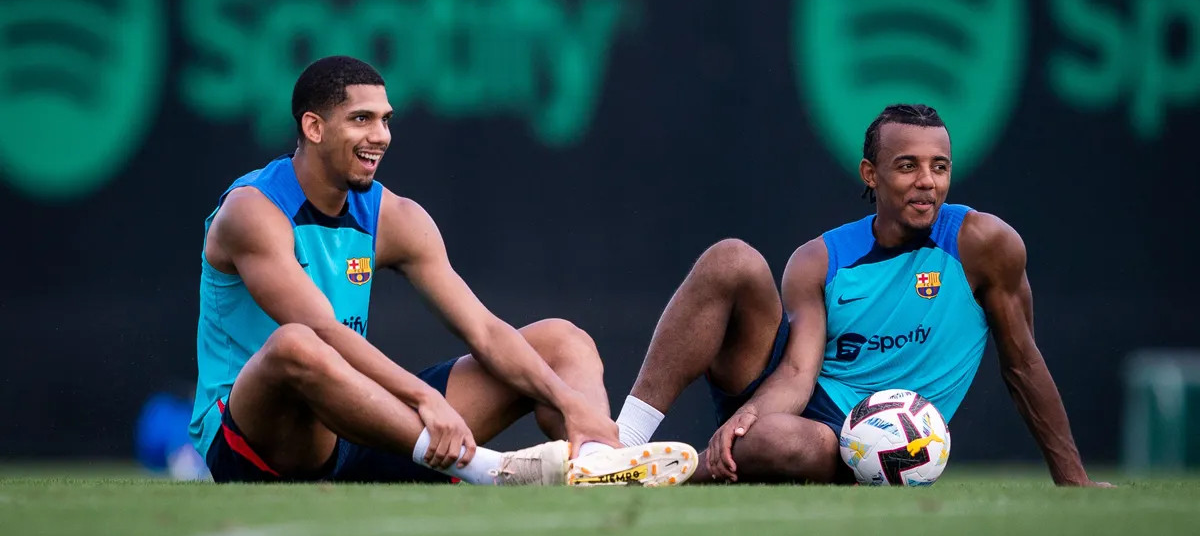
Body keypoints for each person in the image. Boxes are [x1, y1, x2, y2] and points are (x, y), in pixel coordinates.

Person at [188, 55, 696, 486]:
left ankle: (598, 463)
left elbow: (484, 330)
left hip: (366, 427)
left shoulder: (397, 217)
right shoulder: (253, 211)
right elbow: (320, 332)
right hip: (258, 439)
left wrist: (570, 403)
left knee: (565, 341)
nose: (381, 136)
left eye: (386, 120)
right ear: (314, 127)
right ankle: (490, 469)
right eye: (362, 119)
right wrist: (423, 398)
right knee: (295, 344)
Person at [614, 103, 1108, 486]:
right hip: (799, 396)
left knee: (774, 440)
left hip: (856, 441)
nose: (926, 183)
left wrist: (1072, 479)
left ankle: (674, 475)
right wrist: (750, 413)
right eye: (907, 166)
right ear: (871, 174)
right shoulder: (821, 259)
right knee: (731, 259)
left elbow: (1023, 363)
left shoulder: (985, 245)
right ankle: (622, 448)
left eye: (940, 167)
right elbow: (797, 371)